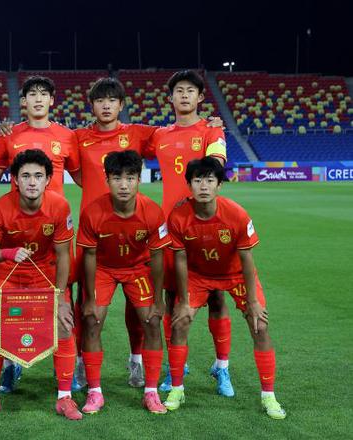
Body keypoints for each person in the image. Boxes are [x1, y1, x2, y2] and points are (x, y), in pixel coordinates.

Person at [164, 157, 286, 420]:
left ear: (219, 185)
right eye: (197, 180)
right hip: (198, 275)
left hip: (235, 275)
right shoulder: (178, 216)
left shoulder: (236, 214)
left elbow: (247, 259)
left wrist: (253, 302)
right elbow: (180, 260)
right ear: (189, 185)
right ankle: (177, 389)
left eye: (210, 180)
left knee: (260, 325)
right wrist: (183, 300)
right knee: (180, 322)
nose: (203, 186)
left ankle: (269, 396)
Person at [0, 75, 81, 393]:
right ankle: (10, 365)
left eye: (44, 94)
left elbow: (85, 177)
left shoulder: (67, 136)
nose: (38, 99)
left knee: (63, 309)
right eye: (32, 94)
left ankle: (67, 375)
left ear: (52, 100)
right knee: (11, 313)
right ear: (23, 101)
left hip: (54, 232)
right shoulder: (9, 135)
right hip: (16, 232)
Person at [0, 149, 82, 420]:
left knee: (64, 325)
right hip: (8, 274)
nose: (32, 182)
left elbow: (63, 255)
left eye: (38, 176)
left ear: (48, 180)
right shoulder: (0, 208)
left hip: (45, 275)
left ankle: (64, 398)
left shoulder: (59, 206)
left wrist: (61, 297)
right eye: (25, 176)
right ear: (15, 180)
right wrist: (8, 253)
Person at [144, 70, 231, 394]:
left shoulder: (211, 130)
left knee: (216, 296)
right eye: (178, 90)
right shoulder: (159, 135)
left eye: (190, 90)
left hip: (206, 225)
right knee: (172, 298)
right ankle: (175, 367)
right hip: (170, 227)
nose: (184, 95)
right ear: (170, 98)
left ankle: (222, 366)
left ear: (200, 97)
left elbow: (216, 166)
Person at [78, 150, 170, 415]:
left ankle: (151, 392)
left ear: (139, 179)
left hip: (137, 269)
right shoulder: (93, 212)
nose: (124, 184)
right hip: (103, 270)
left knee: (152, 322)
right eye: (117, 178)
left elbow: (157, 257)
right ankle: (95, 392)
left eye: (130, 178)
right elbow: (89, 256)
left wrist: (158, 300)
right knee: (92, 321)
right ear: (107, 180)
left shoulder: (152, 212)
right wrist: (89, 299)